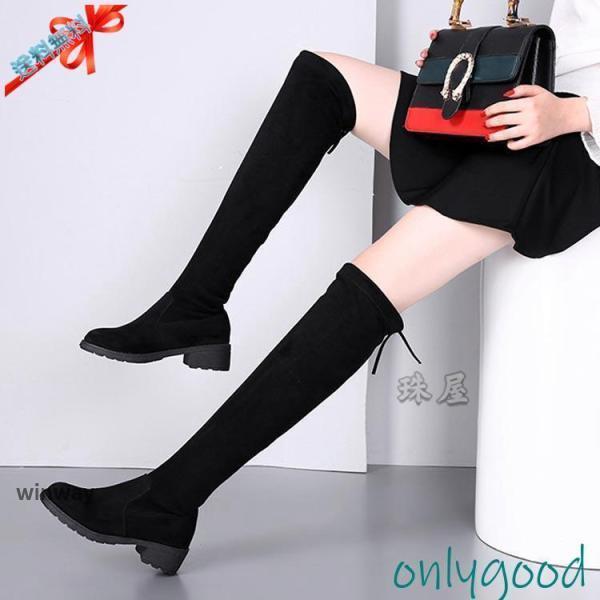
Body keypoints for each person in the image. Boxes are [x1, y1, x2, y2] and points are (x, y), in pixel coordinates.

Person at [41, 0, 599, 575]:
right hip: (521, 104)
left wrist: (577, 113)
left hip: (571, 151)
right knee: (323, 79)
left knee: (372, 278)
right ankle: (193, 307)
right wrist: (481, 63)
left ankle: (167, 500)